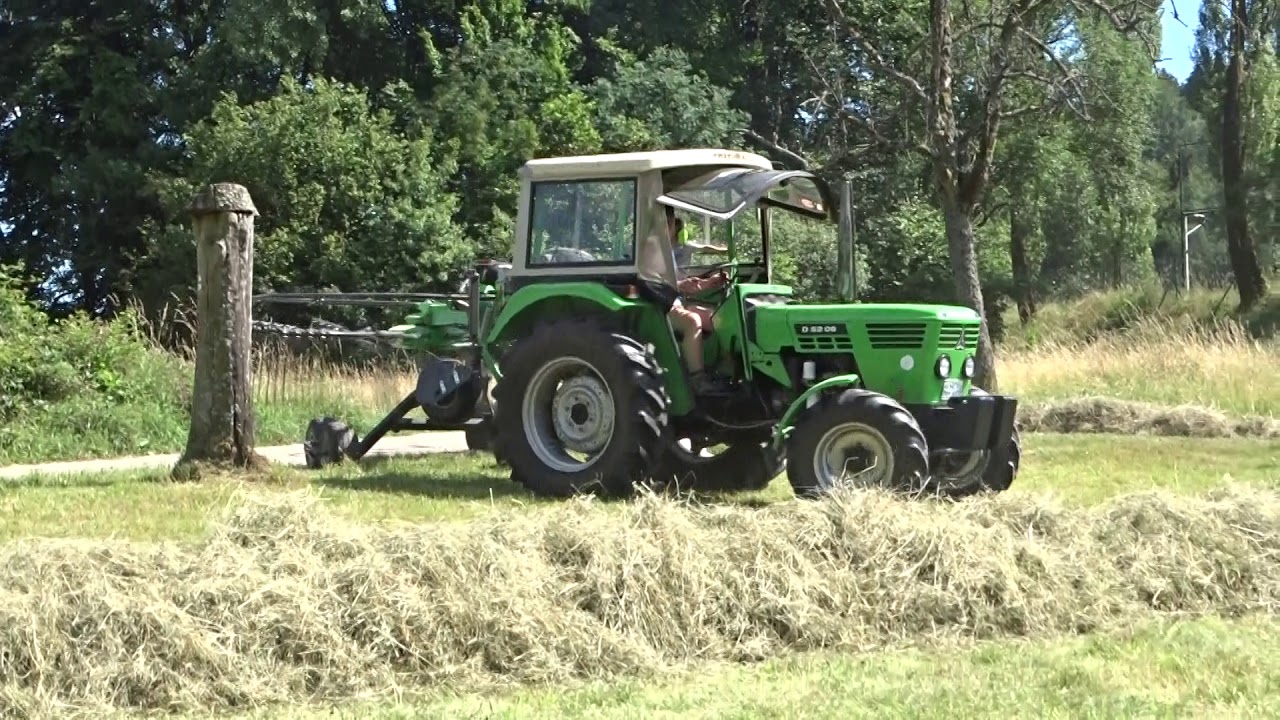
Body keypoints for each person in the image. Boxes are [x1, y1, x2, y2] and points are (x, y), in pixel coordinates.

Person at [663, 206, 730, 393]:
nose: (667, 229)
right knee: (692, 321)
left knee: (719, 318)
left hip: (676, 301)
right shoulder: (649, 251)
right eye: (663, 224)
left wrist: (707, 282)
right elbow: (655, 282)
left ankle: (726, 370)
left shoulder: (672, 250)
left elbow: (678, 281)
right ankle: (696, 378)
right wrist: (685, 284)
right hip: (659, 305)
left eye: (669, 224)